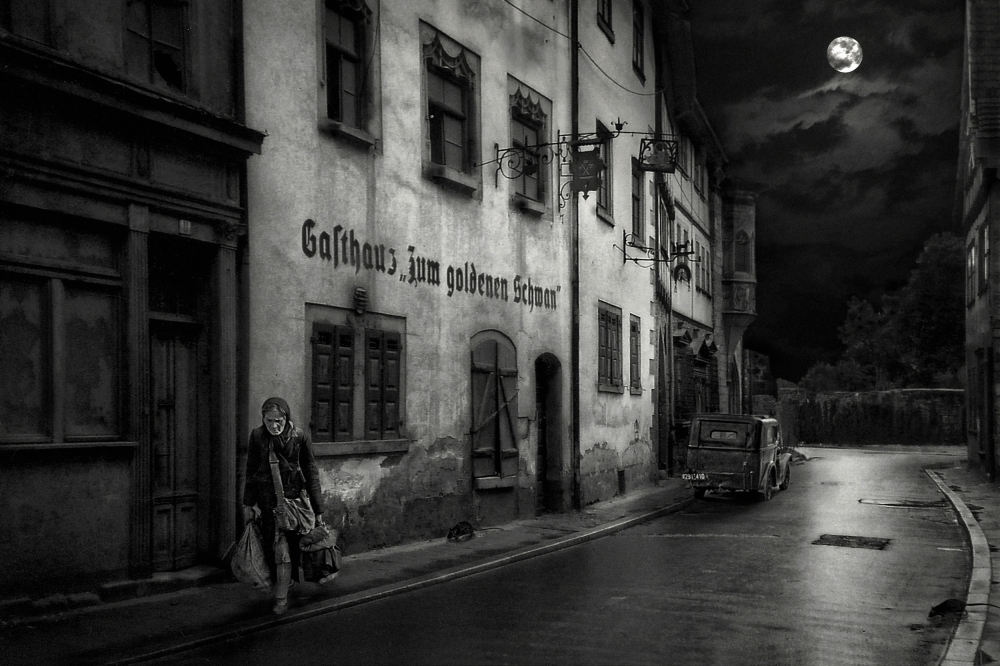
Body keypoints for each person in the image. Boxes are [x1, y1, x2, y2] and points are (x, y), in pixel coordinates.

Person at [242, 397, 324, 615]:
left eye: (278, 421)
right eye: (269, 420)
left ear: (286, 418)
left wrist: (318, 510)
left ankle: (281, 596)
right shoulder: (257, 436)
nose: (274, 425)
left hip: (294, 505)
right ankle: (283, 587)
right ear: (263, 419)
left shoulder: (299, 437)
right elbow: (251, 471)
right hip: (268, 504)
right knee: (276, 548)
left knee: (286, 550)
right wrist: (248, 504)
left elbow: (311, 474)